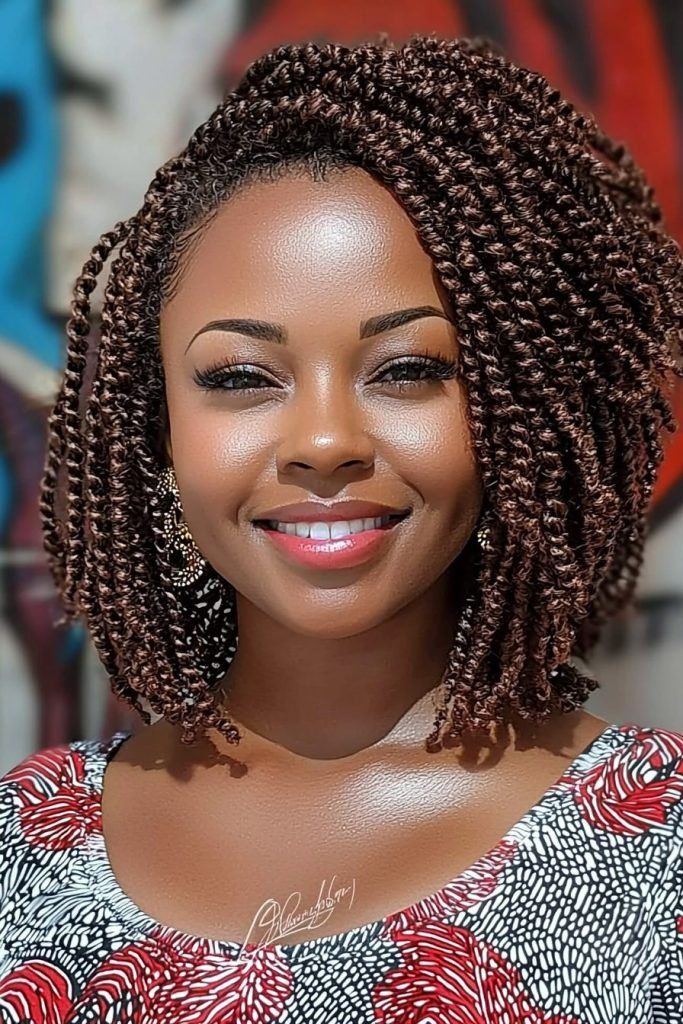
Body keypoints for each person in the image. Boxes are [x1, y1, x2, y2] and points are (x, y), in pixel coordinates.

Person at [0, 31, 681, 1022]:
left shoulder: (656, 853)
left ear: (519, 412)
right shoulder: (25, 845)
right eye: (241, 377)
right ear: (158, 428)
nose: (324, 441)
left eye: (407, 370)